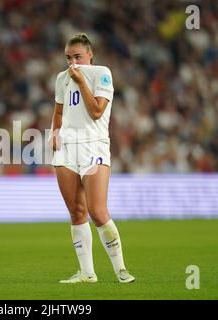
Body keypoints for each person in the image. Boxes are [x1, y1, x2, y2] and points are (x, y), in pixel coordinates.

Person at [49, 33, 135, 284]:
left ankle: (120, 269)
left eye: (77, 56)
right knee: (76, 212)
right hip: (67, 148)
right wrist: (54, 132)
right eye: (68, 58)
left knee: (97, 211)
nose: (72, 62)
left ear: (90, 55)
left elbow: (97, 111)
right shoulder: (61, 79)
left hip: (93, 146)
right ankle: (87, 272)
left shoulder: (101, 73)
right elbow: (58, 111)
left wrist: (81, 81)